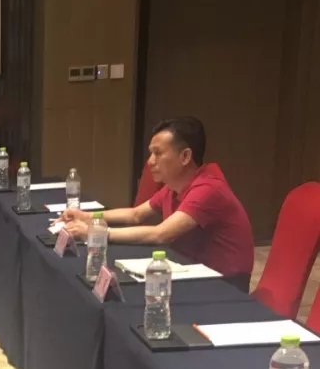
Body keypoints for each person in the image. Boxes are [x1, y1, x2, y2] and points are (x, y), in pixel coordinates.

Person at [59, 116, 254, 290]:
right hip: (190, 269)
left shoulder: (208, 189)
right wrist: (86, 216)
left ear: (185, 156)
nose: (151, 161)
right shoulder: (174, 186)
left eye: (158, 153)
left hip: (224, 283)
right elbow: (135, 214)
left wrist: (97, 233)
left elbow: (161, 234)